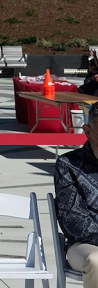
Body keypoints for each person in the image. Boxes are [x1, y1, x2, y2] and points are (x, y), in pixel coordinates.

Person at [54, 101, 98, 287]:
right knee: (97, 261)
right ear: (87, 132)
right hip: (83, 245)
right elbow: (73, 220)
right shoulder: (69, 165)